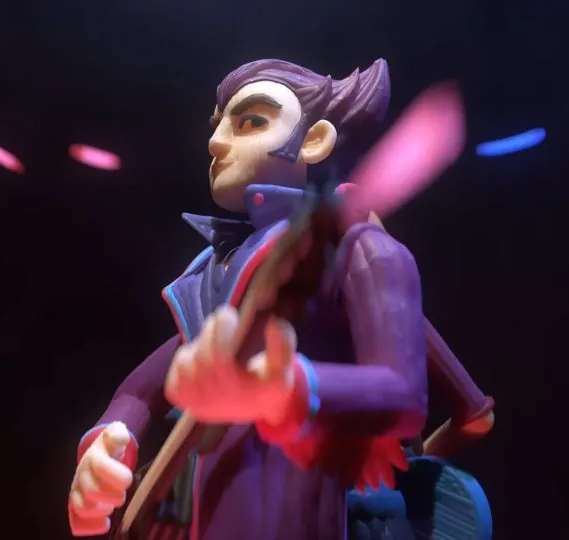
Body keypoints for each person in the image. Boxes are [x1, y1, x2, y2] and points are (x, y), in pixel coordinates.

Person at [67, 58, 428, 540]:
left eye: (251, 122)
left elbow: (403, 393)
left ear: (314, 139)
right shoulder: (213, 272)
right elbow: (142, 389)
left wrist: (287, 391)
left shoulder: (362, 250)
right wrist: (108, 443)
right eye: (218, 127)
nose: (215, 143)